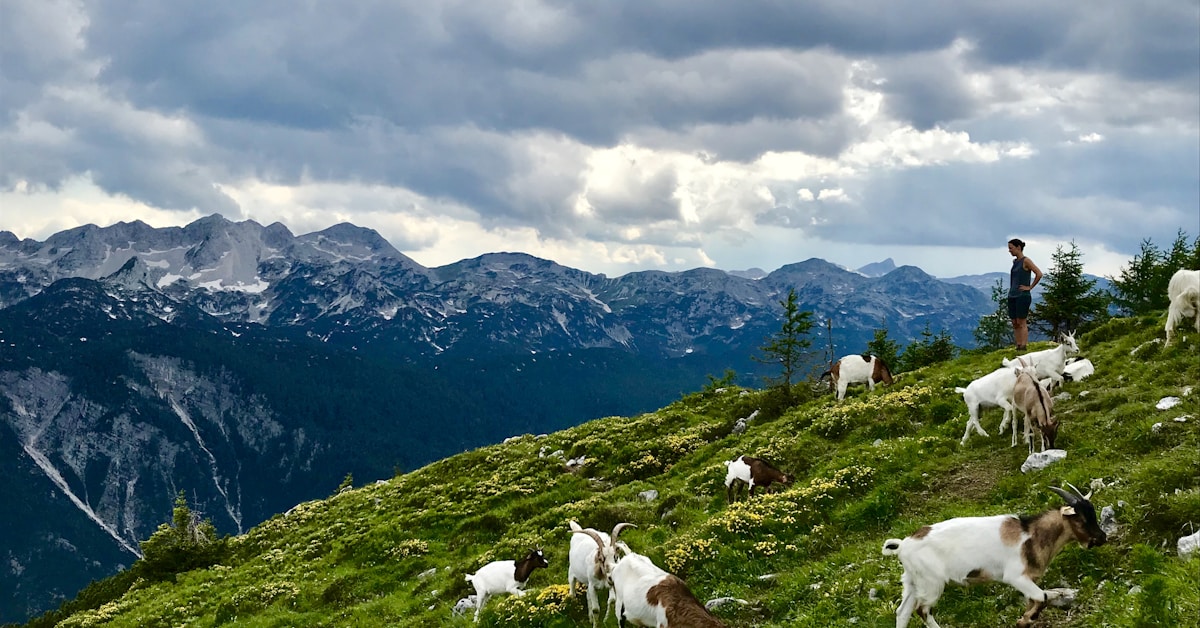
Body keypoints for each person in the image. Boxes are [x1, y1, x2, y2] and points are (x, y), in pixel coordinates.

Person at [1007, 238, 1043, 350]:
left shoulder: (1026, 261)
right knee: (1014, 321)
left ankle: (1023, 345)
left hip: (1022, 295)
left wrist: (1030, 287)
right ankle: (1018, 344)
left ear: (1018, 247)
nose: (1009, 251)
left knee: (1021, 321)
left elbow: (1039, 273)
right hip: (1012, 295)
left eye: (1011, 248)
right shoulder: (1015, 262)